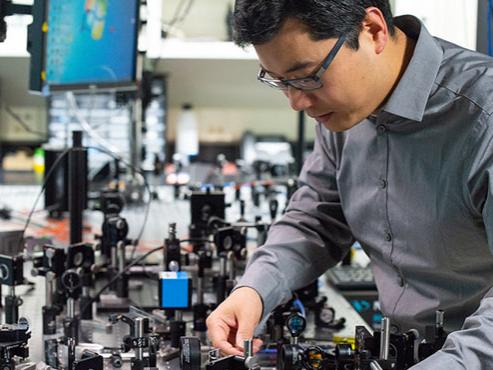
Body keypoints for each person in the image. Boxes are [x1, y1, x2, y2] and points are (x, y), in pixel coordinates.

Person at [206, 0, 493, 367]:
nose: (297, 102)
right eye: (280, 81)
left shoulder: (483, 118)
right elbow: (315, 218)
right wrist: (254, 290)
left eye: (307, 76)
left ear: (372, 30)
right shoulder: (343, 110)